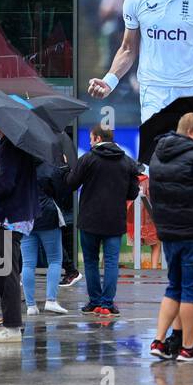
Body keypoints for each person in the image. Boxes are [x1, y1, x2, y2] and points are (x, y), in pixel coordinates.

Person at [148, 112, 193, 361]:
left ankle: (159, 341)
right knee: (192, 291)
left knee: (174, 287)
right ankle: (188, 348)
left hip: (169, 234)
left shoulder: (158, 155)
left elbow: (154, 196)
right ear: (191, 132)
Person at [0, 117, 40, 343]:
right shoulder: (7, 147)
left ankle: (12, 327)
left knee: (4, 273)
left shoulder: (11, 149)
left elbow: (5, 185)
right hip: (1, 219)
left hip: (8, 219)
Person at [67, 123, 139, 317]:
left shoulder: (88, 159)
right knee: (111, 262)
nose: (90, 142)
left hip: (89, 219)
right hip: (115, 220)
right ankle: (108, 304)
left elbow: (71, 184)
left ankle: (94, 302)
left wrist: (68, 169)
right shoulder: (126, 161)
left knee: (90, 262)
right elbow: (133, 191)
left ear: (98, 138)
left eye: (91, 138)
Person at [22, 155, 69, 317]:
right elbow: (60, 191)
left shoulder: (19, 166)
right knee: (55, 259)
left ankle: (30, 305)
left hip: (25, 215)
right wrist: (62, 165)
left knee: (28, 263)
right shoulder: (48, 165)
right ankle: (51, 300)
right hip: (48, 216)